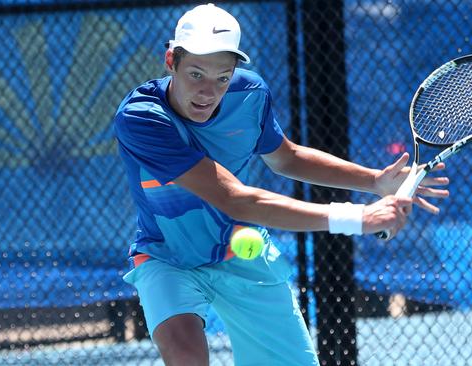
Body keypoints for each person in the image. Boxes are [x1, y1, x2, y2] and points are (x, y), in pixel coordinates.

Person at [113, 3, 449, 366]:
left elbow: (286, 158)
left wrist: (374, 180)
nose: (208, 92)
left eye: (222, 78)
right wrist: (359, 218)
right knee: (187, 357)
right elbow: (235, 198)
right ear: (170, 61)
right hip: (167, 259)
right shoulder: (142, 119)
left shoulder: (250, 95)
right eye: (196, 74)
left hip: (241, 253)